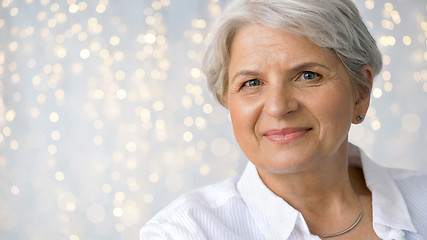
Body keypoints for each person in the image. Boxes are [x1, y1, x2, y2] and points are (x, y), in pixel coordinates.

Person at [140, 0, 427, 239]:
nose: (278, 107)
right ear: (228, 102)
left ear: (360, 93)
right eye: (252, 83)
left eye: (308, 75)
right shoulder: (182, 232)